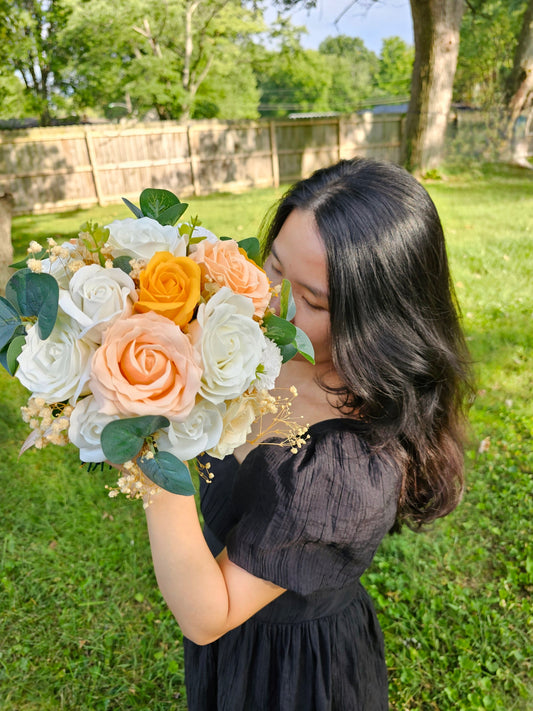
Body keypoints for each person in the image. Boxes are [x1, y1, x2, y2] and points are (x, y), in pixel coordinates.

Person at [143, 157, 472, 710]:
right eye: (272, 266)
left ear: (380, 318)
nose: (271, 301)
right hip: (236, 638)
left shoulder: (346, 467)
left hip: (293, 673)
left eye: (313, 300)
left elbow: (206, 616)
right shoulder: (254, 342)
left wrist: (148, 434)